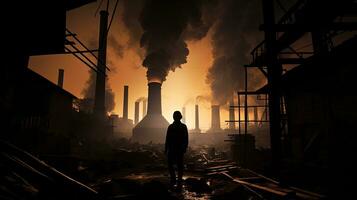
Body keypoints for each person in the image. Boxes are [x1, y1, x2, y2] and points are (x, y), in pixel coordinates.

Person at [165, 111, 188, 190]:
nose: (175, 118)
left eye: (176, 116)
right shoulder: (181, 127)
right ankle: (176, 179)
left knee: (175, 164)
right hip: (176, 149)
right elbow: (167, 139)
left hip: (175, 149)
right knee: (178, 165)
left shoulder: (172, 127)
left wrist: (166, 149)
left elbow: (185, 138)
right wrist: (184, 148)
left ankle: (175, 179)